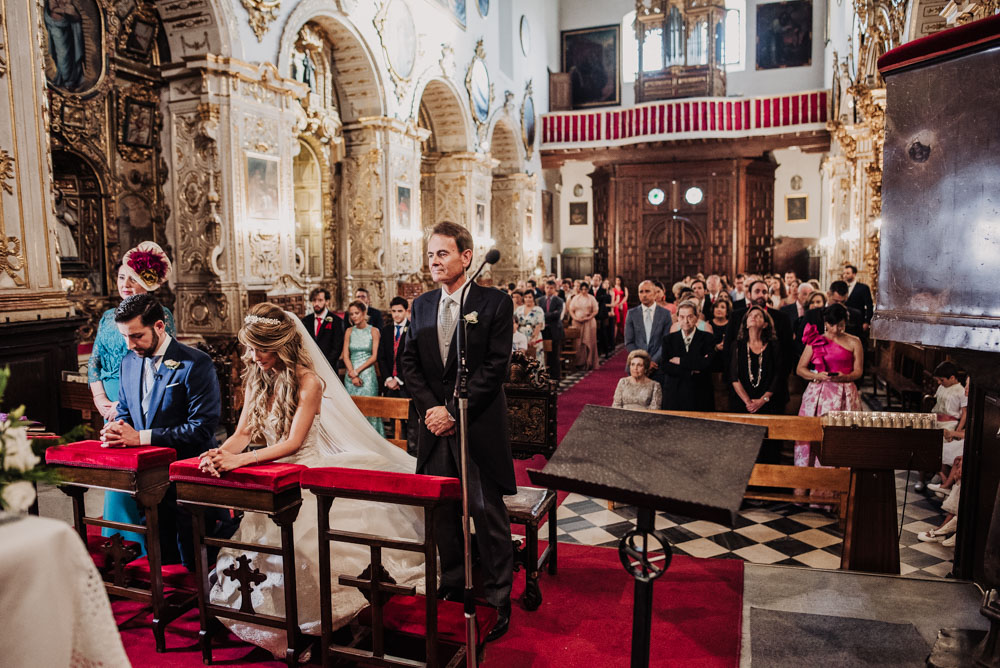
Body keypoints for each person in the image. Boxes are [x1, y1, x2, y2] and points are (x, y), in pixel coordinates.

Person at [200, 303, 424, 657]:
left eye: (262, 348)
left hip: (305, 478)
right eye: (252, 348)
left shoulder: (309, 381)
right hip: (270, 477)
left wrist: (238, 460)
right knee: (258, 555)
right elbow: (242, 433)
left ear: (282, 345)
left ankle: (310, 625)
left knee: (305, 554)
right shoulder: (257, 376)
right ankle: (273, 624)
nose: (254, 355)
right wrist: (217, 454)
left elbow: (292, 443)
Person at [398, 221, 514, 641]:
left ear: (467, 257)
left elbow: (495, 367)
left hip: (476, 426)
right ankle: (452, 583)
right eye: (430, 254)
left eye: (442, 253)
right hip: (434, 429)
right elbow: (407, 363)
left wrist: (453, 412)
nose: (434, 261)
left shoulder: (494, 303)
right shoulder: (423, 304)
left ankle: (499, 599)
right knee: (442, 512)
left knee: (486, 513)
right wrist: (432, 409)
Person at [100, 293, 228, 569]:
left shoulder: (195, 363)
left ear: (159, 326)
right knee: (160, 556)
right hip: (148, 481)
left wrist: (141, 438)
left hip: (188, 478)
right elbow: (126, 410)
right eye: (124, 336)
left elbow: (201, 427)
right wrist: (117, 429)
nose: (129, 344)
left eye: (136, 336)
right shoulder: (128, 362)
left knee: (197, 561)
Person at [89, 245, 175, 554]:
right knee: (113, 471)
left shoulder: (161, 316)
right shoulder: (106, 318)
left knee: (129, 472)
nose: (126, 284)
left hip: (141, 401)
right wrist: (100, 397)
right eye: (122, 277)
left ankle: (134, 545)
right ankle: (116, 541)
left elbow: (164, 365)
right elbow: (94, 362)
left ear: (148, 284)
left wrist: (125, 403)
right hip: (109, 400)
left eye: (134, 278)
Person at [793, 304, 863, 468]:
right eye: (832, 325)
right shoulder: (816, 341)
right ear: (825, 323)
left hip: (845, 392)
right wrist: (816, 375)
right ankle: (808, 477)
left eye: (840, 325)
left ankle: (839, 480)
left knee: (843, 436)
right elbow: (800, 369)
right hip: (818, 393)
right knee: (813, 435)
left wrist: (845, 377)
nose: (836, 329)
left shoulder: (855, 341)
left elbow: (858, 371)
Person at [725, 279, 794, 414]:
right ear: (749, 294)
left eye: (764, 292)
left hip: (774, 391)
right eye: (757, 291)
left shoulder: (782, 318)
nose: (761, 295)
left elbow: (787, 353)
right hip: (742, 391)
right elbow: (728, 351)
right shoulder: (737, 316)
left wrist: (767, 396)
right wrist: (746, 399)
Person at [661, 301, 715, 411]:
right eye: (682, 317)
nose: (686, 321)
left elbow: (706, 364)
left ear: (697, 317)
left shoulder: (707, 338)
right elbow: (665, 366)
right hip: (675, 394)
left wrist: (681, 361)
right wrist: (691, 370)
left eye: (690, 317)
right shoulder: (668, 339)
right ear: (677, 318)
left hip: (700, 394)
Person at [728, 305, 782, 414]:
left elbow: (778, 375)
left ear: (765, 324)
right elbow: (734, 377)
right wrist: (748, 402)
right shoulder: (737, 345)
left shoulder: (774, 346)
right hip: (743, 402)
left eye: (758, 316)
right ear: (746, 324)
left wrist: (763, 400)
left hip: (768, 402)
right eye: (750, 315)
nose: (753, 317)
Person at [378, 296, 416, 452]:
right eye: (393, 311)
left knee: (410, 419)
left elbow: (412, 358)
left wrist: (399, 378)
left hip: (405, 382)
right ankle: (396, 450)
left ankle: (412, 451)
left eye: (400, 311)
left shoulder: (413, 329)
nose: (396, 315)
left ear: (406, 311)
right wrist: (388, 378)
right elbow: (382, 357)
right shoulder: (386, 331)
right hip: (389, 383)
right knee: (393, 418)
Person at [341, 300, 384, 436]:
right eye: (351, 314)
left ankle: (373, 442)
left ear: (364, 313)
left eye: (357, 313)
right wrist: (352, 373)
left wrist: (357, 372)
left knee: (370, 411)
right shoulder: (349, 331)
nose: (354, 316)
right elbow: (345, 355)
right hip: (350, 376)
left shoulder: (374, 331)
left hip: (367, 375)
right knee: (352, 411)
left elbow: (374, 356)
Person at [624, 280, 672, 382]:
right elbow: (629, 342)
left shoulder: (665, 314)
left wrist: (652, 361)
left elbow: (666, 342)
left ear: (655, 294)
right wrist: (642, 361)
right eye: (641, 292)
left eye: (647, 291)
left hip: (658, 366)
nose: (644, 295)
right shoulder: (631, 314)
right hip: (636, 366)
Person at [301, 287, 344, 371]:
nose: (316, 303)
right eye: (314, 300)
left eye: (320, 300)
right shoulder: (306, 320)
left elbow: (337, 347)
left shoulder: (337, 321)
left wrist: (325, 365)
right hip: (311, 366)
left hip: (330, 367)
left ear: (327, 301)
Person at [569, 281, 600, 370]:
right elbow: (571, 309)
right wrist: (575, 318)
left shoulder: (591, 298)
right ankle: (579, 363)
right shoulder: (576, 298)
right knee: (578, 343)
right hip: (577, 322)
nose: (583, 291)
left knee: (589, 341)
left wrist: (589, 317)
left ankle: (589, 362)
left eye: (585, 289)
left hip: (589, 322)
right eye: (582, 289)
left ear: (588, 290)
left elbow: (595, 310)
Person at [709, 298, 732, 411]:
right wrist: (716, 347)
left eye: (722, 307)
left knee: (726, 393)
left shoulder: (731, 325)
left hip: (727, 362)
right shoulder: (708, 325)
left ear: (727, 311)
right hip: (712, 362)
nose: (719, 309)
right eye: (717, 307)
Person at [540, 280, 565, 381]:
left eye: (551, 288)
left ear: (554, 289)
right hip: (544, 330)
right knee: (545, 354)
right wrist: (548, 315)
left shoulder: (559, 300)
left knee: (554, 356)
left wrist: (544, 315)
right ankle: (545, 377)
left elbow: (557, 314)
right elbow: (539, 314)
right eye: (547, 287)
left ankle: (555, 378)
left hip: (555, 331)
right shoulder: (540, 300)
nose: (548, 290)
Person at [516, 289, 545, 367]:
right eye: (526, 297)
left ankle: (536, 378)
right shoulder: (519, 309)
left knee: (535, 359)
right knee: (522, 359)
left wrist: (534, 338)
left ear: (533, 298)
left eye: (530, 297)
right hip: (521, 335)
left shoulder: (538, 310)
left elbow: (539, 325)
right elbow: (515, 322)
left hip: (534, 335)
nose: (528, 299)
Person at [842, 264, 874, 332]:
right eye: (844, 273)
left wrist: (867, 322)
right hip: (843, 321)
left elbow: (869, 306)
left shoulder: (863, 288)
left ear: (854, 274)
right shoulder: (842, 287)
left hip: (858, 321)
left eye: (848, 273)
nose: (845, 275)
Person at [611, 276, 628, 340]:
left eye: (619, 280)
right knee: (617, 319)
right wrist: (616, 304)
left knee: (624, 319)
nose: (617, 281)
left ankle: (624, 334)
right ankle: (617, 334)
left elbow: (626, 297)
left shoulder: (624, 288)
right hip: (615, 303)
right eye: (616, 280)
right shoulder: (613, 288)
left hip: (623, 303)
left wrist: (621, 304)